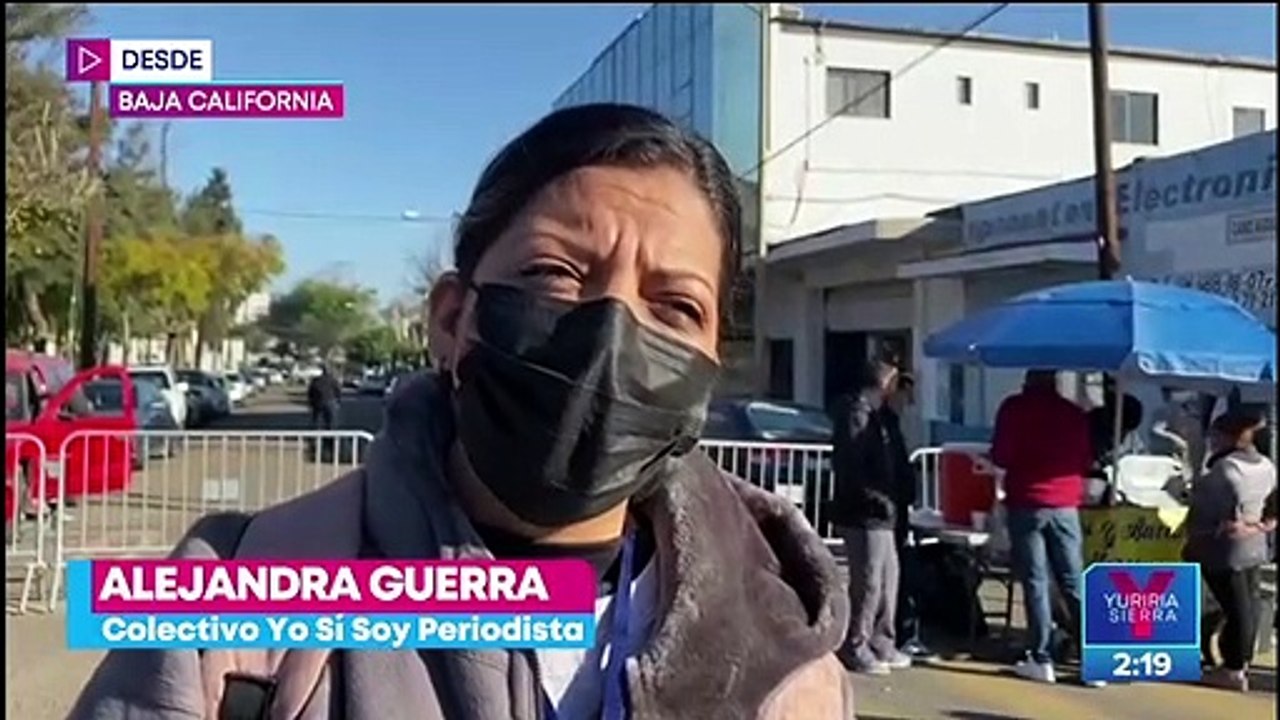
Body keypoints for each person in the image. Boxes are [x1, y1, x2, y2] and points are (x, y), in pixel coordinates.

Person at [69, 103, 854, 720]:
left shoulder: (792, 659)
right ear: (452, 320)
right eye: (554, 273)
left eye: (675, 306)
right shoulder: (229, 599)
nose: (612, 335)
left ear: (711, 365)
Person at [990, 369, 1097, 685]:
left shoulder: (1014, 408)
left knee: (1035, 581)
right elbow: (1084, 460)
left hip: (1027, 501)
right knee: (1073, 582)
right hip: (1066, 504)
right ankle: (1092, 660)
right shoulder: (1074, 414)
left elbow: (1001, 455)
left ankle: (1041, 657)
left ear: (1027, 382)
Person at [829, 358, 914, 675]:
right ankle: (855, 644)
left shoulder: (880, 418)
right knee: (869, 582)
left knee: (888, 579)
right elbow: (851, 464)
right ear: (882, 384)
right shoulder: (857, 415)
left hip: (883, 510)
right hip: (864, 512)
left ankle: (881, 640)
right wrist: (875, 497)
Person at [1183, 409, 1277, 692]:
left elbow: (1202, 510)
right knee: (1247, 604)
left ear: (1227, 436)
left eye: (1215, 435)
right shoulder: (1266, 465)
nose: (1211, 440)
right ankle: (1241, 662)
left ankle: (1233, 669)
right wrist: (1263, 525)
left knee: (1235, 609)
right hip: (1255, 544)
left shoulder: (1226, 469)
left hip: (1224, 547)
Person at [884, 373, 935, 661]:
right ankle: (897, 635)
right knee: (890, 574)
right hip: (888, 508)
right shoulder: (883, 424)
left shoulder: (889, 423)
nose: (911, 403)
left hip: (894, 506)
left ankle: (897, 633)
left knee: (894, 572)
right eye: (908, 395)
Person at [305, 365, 343, 431]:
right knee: (331, 420)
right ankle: (330, 436)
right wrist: (338, 401)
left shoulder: (316, 380)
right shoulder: (333, 380)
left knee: (317, 420)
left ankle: (315, 434)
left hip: (318, 402)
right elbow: (338, 391)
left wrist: (311, 403)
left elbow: (310, 392)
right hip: (330, 401)